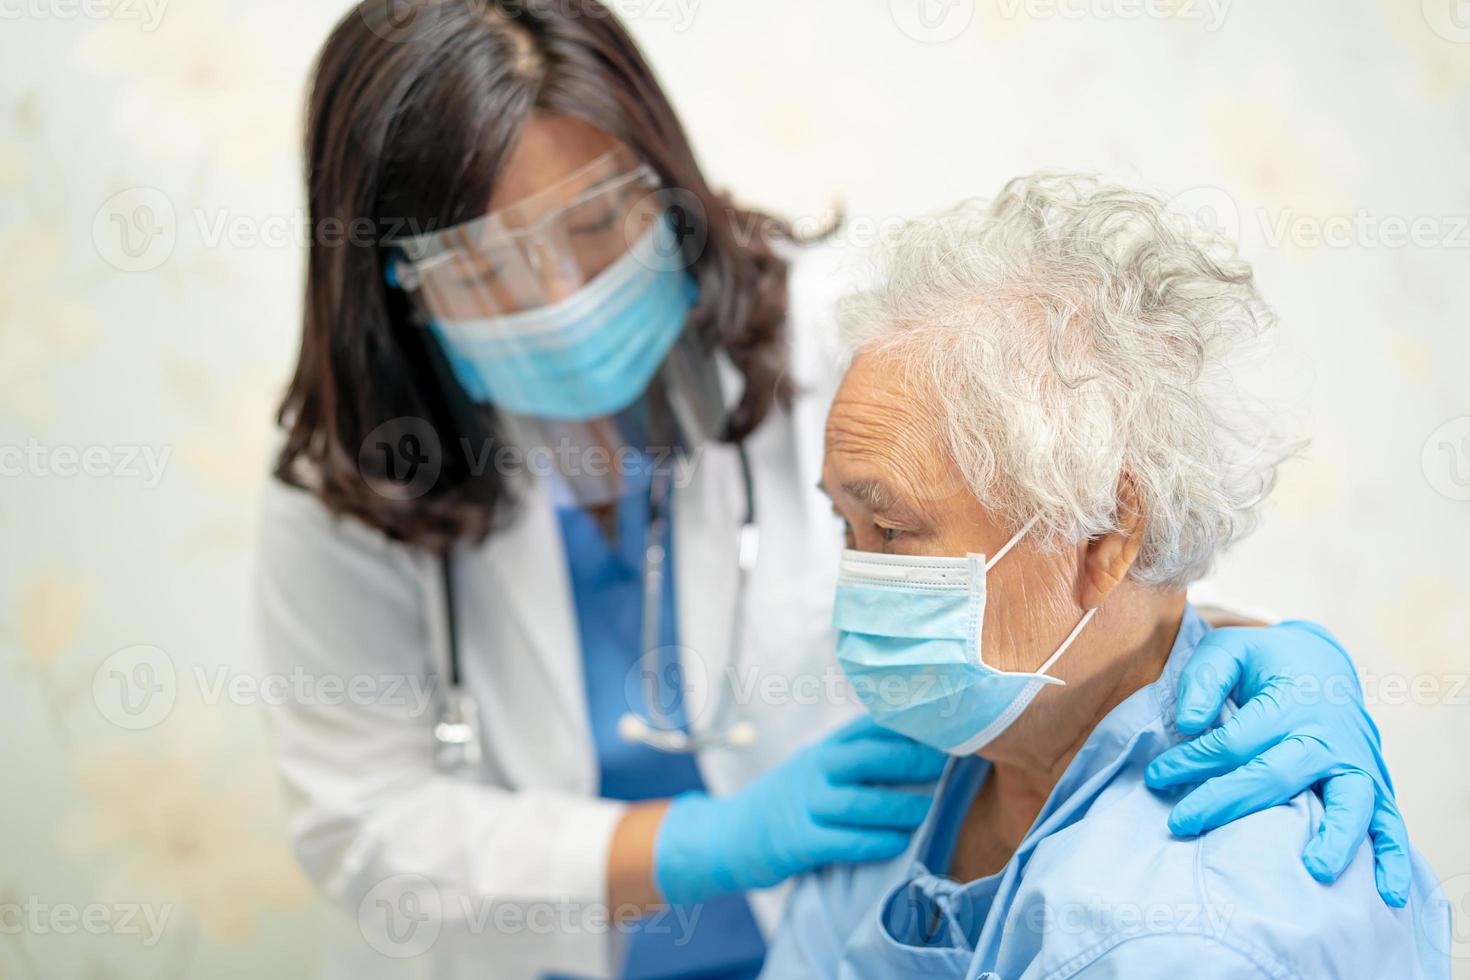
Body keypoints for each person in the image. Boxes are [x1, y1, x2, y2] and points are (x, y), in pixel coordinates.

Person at [257, 3, 1413, 977]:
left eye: (599, 219)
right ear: (393, 282)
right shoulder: (360, 479)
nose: (563, 290)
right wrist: (702, 843)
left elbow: (1084, 551)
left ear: (664, 179)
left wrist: (1260, 655)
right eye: (490, 263)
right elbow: (365, 821)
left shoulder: (845, 349)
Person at [762, 174, 1449, 979]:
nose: (858, 581)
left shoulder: (1189, 934)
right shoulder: (931, 767)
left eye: (893, 530)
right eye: (847, 527)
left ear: (1104, 537)